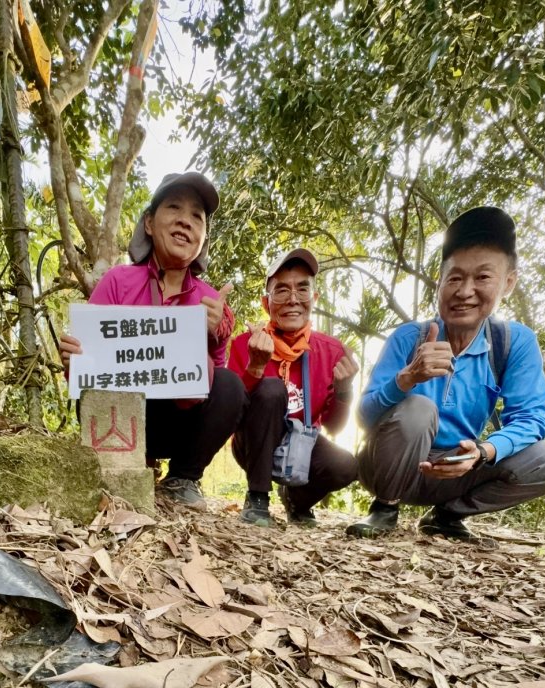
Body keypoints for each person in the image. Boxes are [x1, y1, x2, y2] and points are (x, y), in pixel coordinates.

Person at [347, 206, 545, 544]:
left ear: (508, 283)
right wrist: (406, 379)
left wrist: (484, 452)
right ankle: (384, 509)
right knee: (419, 408)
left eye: (482, 277)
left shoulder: (513, 343)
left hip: (459, 470)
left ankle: (448, 515)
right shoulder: (409, 337)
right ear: (439, 283)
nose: (465, 291)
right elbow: (364, 418)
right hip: (391, 467)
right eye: (454, 277)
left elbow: (531, 418)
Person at [59, 172, 246, 510]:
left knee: (231, 384)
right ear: (149, 223)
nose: (185, 221)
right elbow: (85, 372)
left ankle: (183, 477)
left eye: (196, 216)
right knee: (92, 393)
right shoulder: (118, 281)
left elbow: (217, 386)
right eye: (173, 207)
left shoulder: (210, 300)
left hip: (179, 422)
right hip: (124, 415)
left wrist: (216, 334)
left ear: (203, 237)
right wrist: (74, 360)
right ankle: (126, 462)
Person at [228, 249, 359, 526]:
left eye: (302, 289)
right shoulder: (246, 344)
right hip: (253, 443)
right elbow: (231, 416)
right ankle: (257, 499)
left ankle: (297, 501)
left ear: (314, 298)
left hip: (303, 444)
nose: (292, 300)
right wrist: (255, 369)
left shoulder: (332, 351)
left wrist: (345, 390)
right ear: (266, 303)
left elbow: (335, 427)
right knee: (272, 389)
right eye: (281, 290)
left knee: (346, 467)